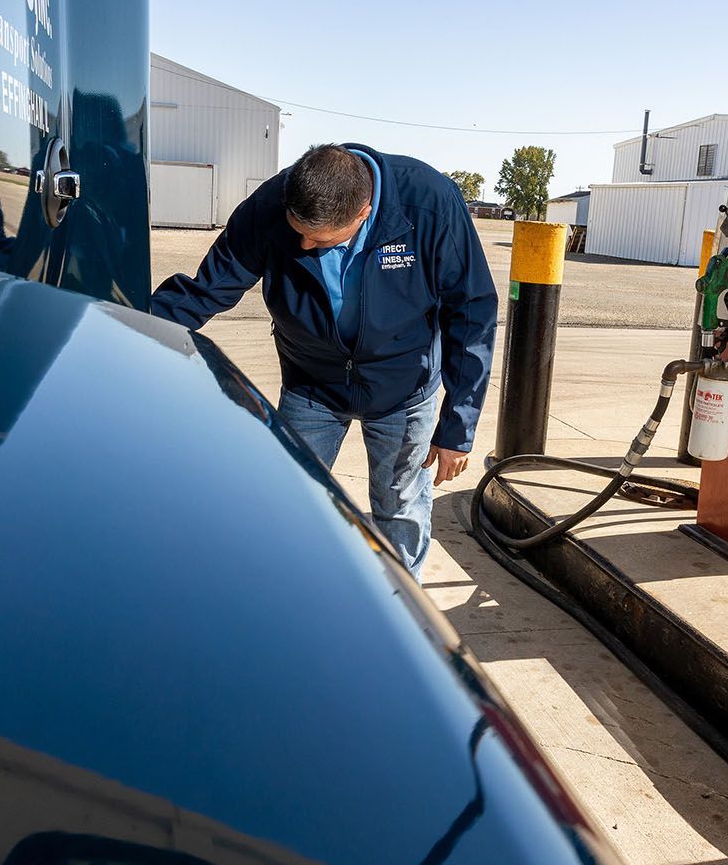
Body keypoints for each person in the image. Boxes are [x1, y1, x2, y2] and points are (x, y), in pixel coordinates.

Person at [151, 143, 497, 581]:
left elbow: (472, 311)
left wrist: (458, 426)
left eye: (319, 239)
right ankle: (291, 595)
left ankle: (398, 608)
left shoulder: (429, 204)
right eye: (298, 232)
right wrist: (129, 330)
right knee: (290, 500)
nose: (303, 245)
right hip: (311, 385)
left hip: (404, 390)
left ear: (364, 213)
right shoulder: (270, 206)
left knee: (401, 508)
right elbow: (207, 288)